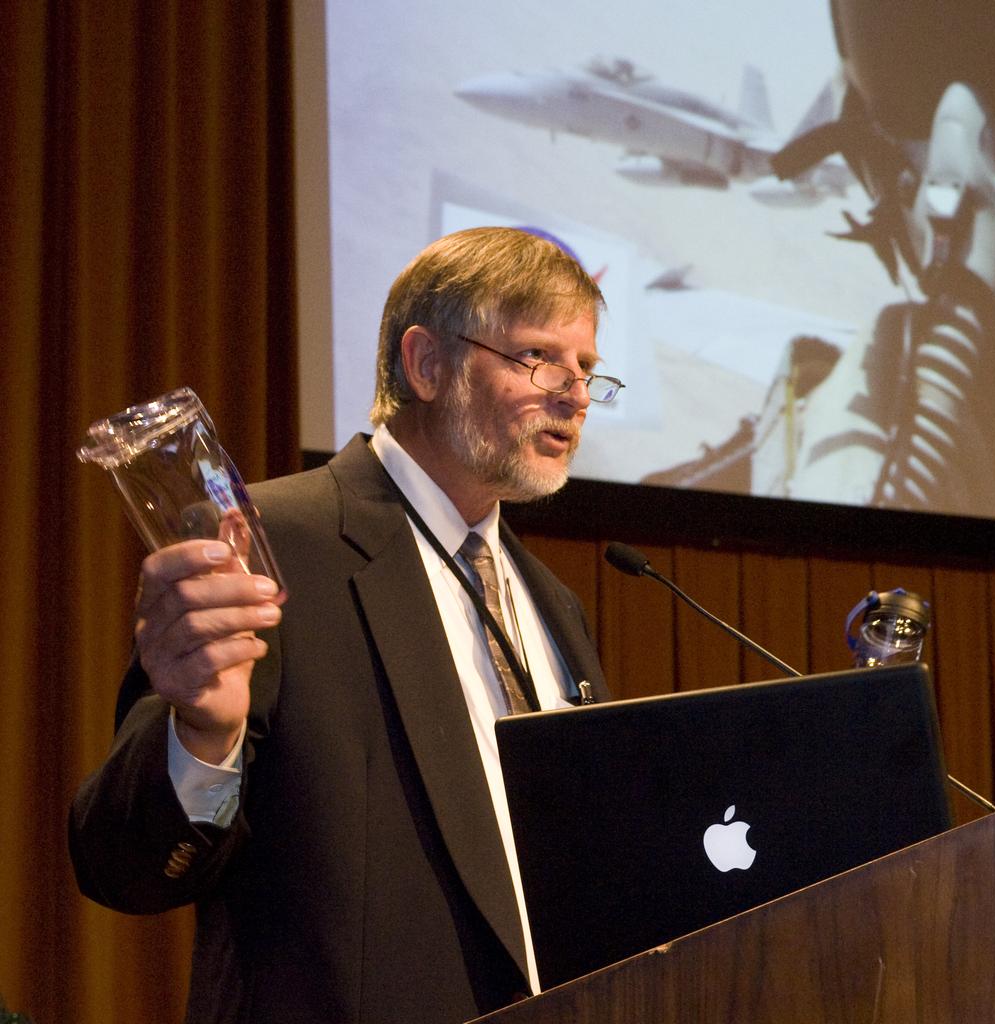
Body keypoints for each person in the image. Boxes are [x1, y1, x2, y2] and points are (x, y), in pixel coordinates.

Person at [69, 227, 623, 1023]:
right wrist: (200, 736)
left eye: (588, 370)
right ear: (427, 364)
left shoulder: (551, 601)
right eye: (539, 358)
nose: (574, 394)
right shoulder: (275, 541)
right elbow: (121, 865)